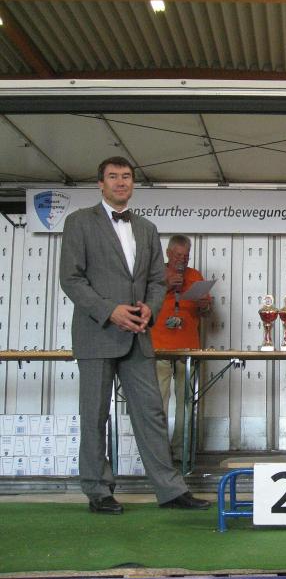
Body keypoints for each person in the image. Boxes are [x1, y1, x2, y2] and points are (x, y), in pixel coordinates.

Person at [59, 156, 210, 514]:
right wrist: (109, 310)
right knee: (94, 415)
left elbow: (157, 282)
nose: (120, 182)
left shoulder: (146, 228)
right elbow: (71, 279)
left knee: (152, 413)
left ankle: (170, 490)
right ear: (101, 183)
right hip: (97, 333)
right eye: (113, 177)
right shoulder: (79, 222)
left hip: (139, 337)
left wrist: (150, 310)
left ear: (132, 183)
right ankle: (98, 490)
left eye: (126, 176)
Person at [151, 235, 212, 461]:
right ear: (168, 253)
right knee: (158, 402)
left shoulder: (195, 276)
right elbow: (142, 302)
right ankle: (158, 453)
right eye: (178, 255)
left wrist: (204, 305)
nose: (182, 260)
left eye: (186, 256)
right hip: (159, 347)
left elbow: (206, 313)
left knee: (186, 403)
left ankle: (181, 450)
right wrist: (166, 286)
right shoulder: (154, 273)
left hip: (188, 349)